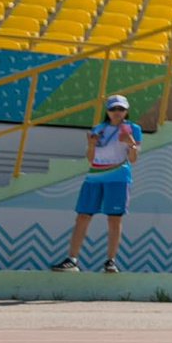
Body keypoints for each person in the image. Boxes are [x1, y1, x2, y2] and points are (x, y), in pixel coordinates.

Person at [52, 94, 143, 273]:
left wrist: (131, 143)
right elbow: (90, 158)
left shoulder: (133, 129)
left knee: (114, 219)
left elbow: (133, 159)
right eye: (113, 109)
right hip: (94, 177)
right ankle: (72, 259)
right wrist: (91, 145)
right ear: (107, 111)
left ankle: (110, 261)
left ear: (126, 111)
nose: (117, 113)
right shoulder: (98, 128)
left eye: (121, 109)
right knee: (82, 216)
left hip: (118, 178)